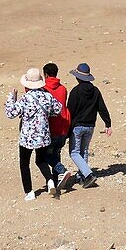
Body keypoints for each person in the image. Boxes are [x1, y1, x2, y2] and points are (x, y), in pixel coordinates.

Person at [5, 68, 63, 201]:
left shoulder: (25, 98)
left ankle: (29, 192)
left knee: (24, 163)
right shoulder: (47, 96)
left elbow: (10, 113)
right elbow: (58, 109)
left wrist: (11, 98)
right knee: (41, 160)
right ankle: (50, 181)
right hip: (43, 136)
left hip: (27, 138)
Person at [66, 63, 112, 189]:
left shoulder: (75, 91)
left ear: (78, 77)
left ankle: (89, 174)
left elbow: (70, 111)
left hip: (77, 126)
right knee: (84, 151)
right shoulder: (96, 91)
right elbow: (102, 108)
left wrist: (66, 128)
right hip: (90, 126)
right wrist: (108, 123)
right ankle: (83, 177)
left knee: (74, 152)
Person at [42, 63, 73, 192]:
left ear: (46, 74)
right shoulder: (63, 89)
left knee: (45, 156)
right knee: (56, 154)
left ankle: (62, 171)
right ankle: (57, 180)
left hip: (51, 127)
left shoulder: (43, 88)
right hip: (63, 126)